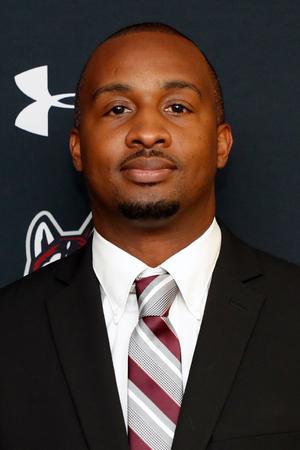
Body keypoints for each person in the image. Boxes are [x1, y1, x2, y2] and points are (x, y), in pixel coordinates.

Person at [1, 22, 300, 450]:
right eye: (118, 109)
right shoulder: (9, 332)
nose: (147, 132)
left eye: (177, 107)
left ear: (221, 143)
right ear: (77, 147)